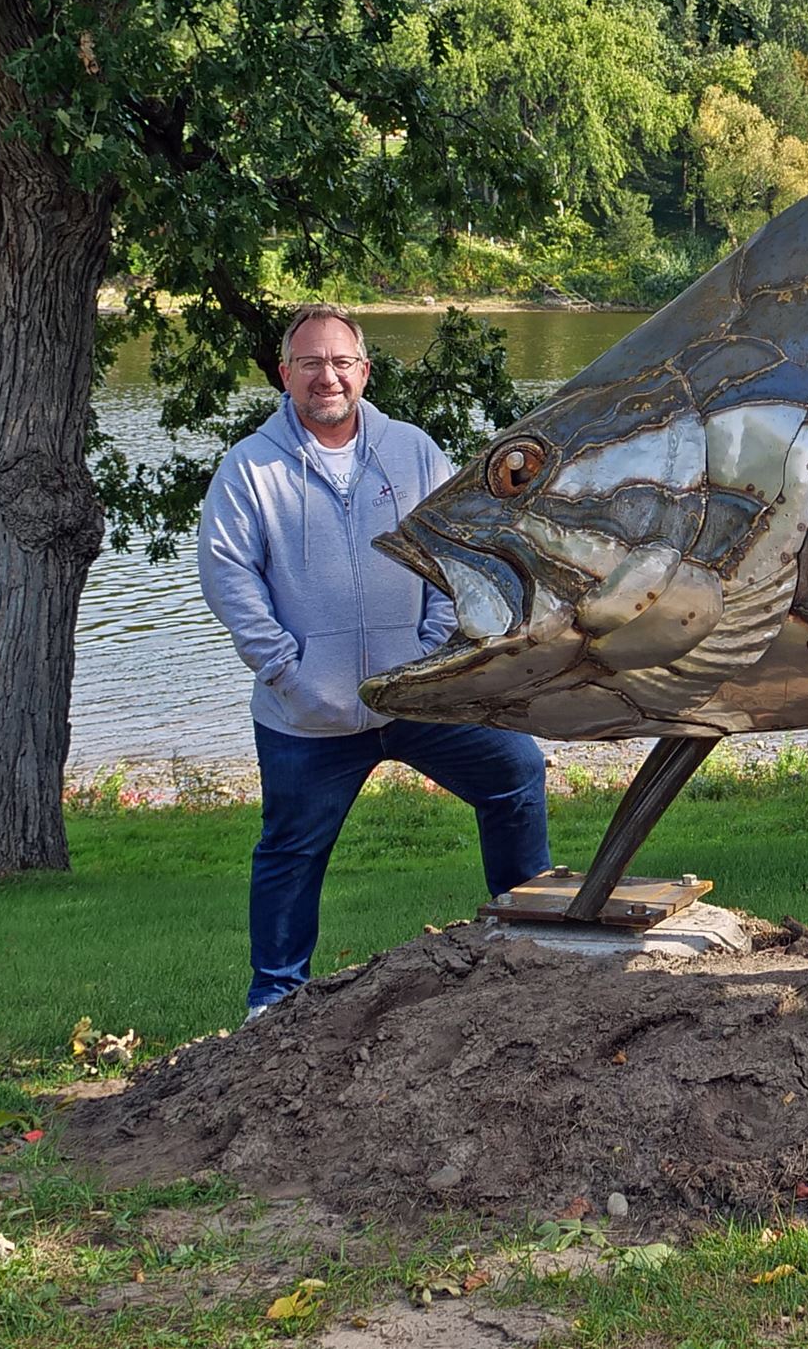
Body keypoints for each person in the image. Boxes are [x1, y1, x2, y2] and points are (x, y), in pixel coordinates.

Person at [198, 302, 551, 1019]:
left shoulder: (413, 450)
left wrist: (431, 655)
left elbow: (457, 552)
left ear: (363, 369)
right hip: (310, 715)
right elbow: (229, 579)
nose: (325, 377)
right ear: (284, 374)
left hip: (417, 695)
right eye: (308, 364)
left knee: (514, 773)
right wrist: (289, 674)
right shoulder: (250, 469)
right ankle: (274, 998)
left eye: (339, 362)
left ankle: (531, 948)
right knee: (291, 852)